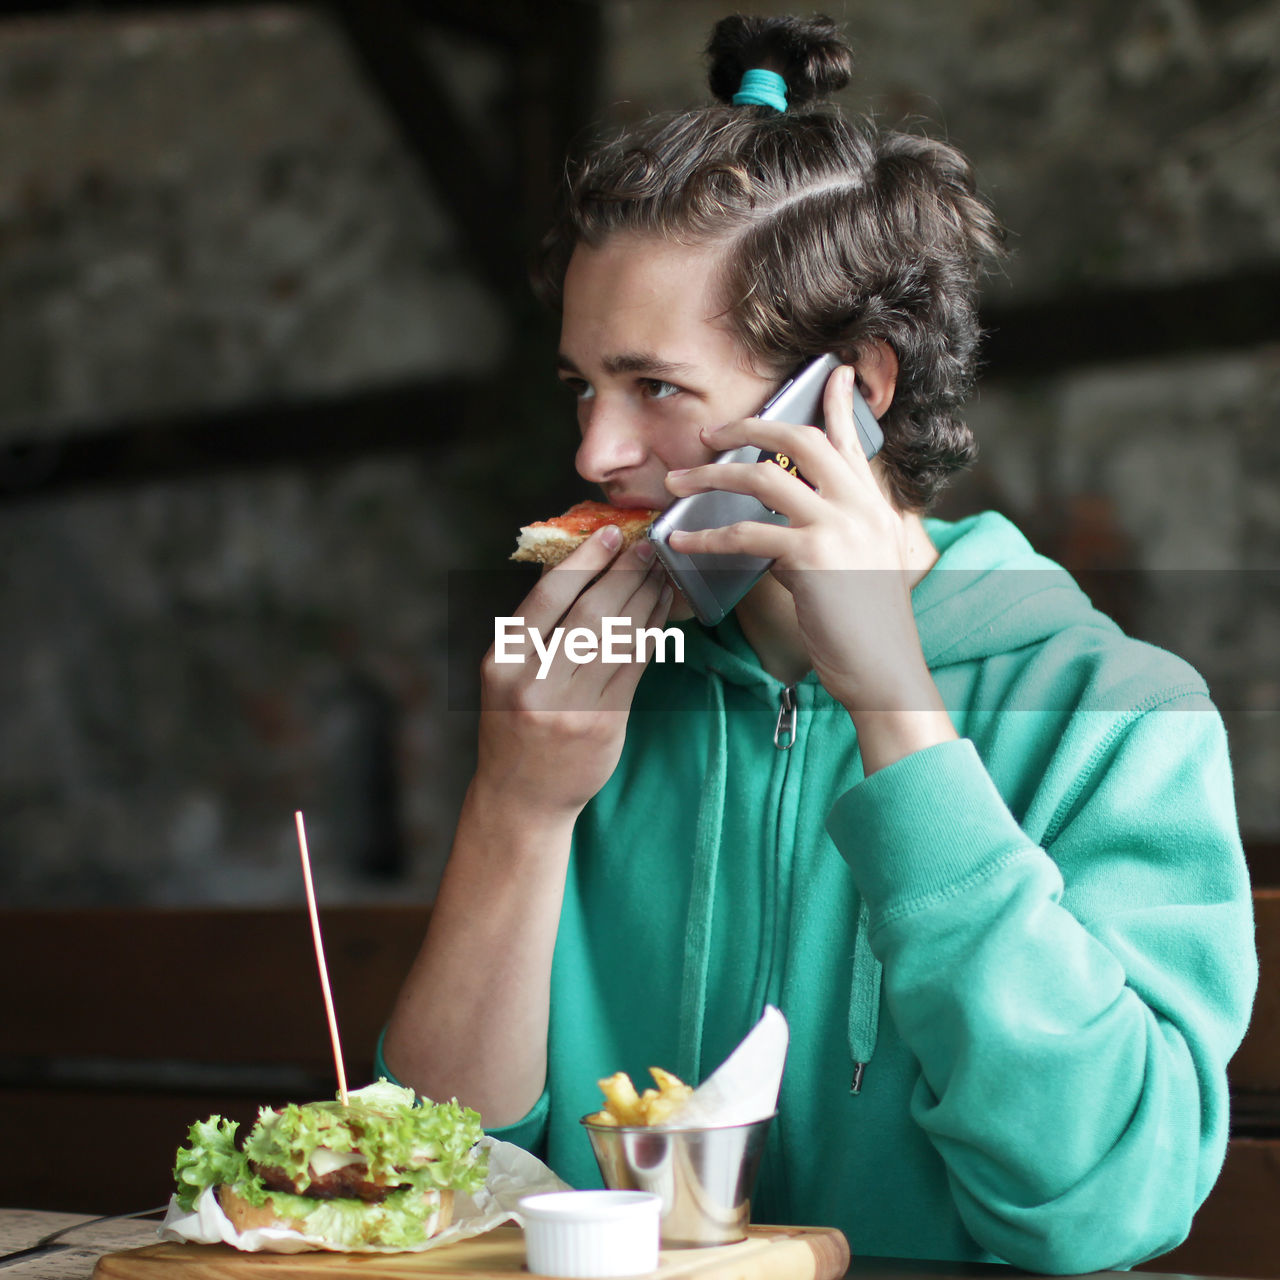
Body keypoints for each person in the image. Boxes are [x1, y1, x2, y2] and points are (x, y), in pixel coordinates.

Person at [379, 14, 1257, 1272]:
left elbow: (1096, 1209)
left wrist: (891, 702)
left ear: (852, 385)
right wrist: (515, 809)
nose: (594, 453)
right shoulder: (598, 692)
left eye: (655, 387)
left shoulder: (1116, 710)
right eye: (581, 385)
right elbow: (432, 1181)